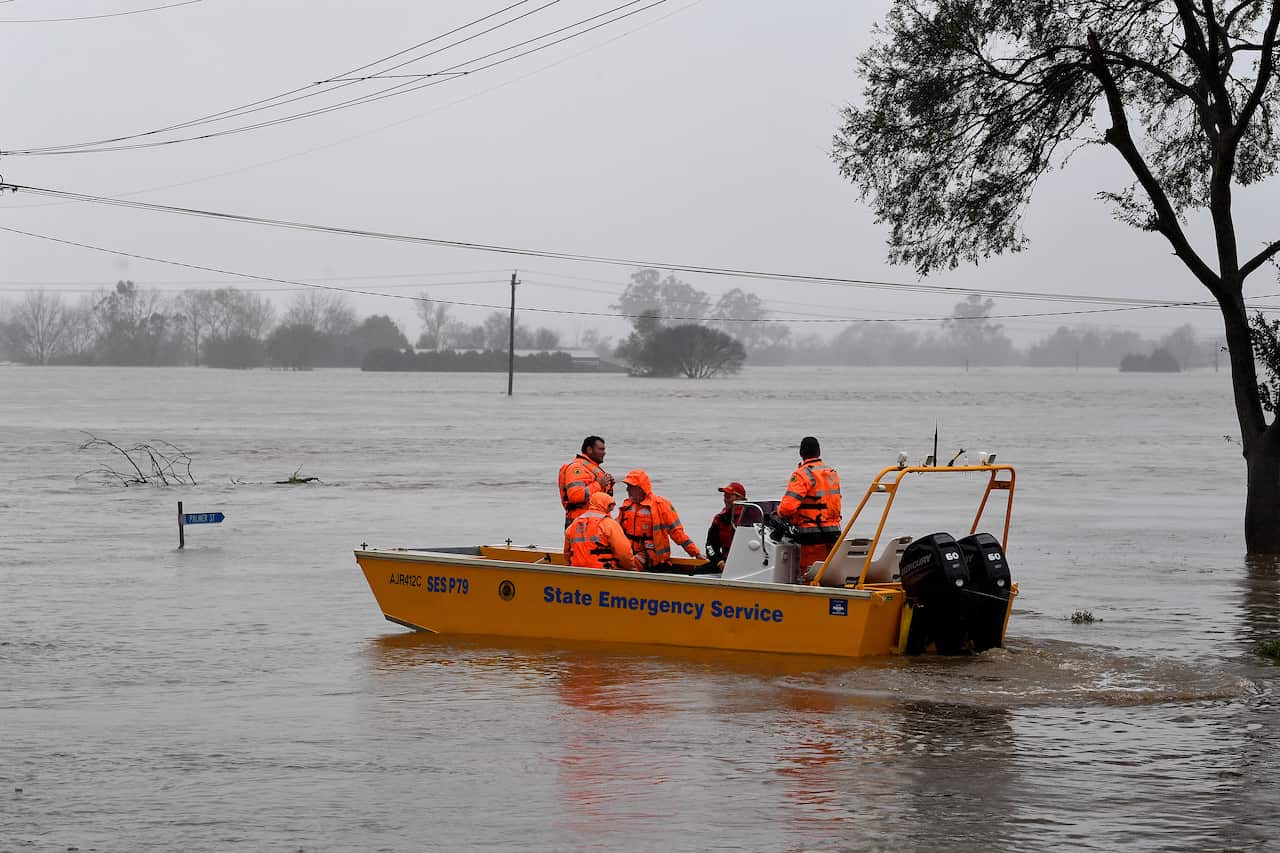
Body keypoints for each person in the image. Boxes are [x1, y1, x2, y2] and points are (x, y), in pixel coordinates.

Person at [778, 436, 843, 575]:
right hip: (834, 533)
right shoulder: (832, 473)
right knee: (829, 573)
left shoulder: (802, 474)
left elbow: (787, 508)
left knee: (810, 574)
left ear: (801, 453)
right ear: (819, 452)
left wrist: (779, 514)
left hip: (812, 534)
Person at [617, 469, 703, 572]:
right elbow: (615, 529)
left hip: (652, 553)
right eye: (628, 486)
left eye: (631, 487)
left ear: (640, 488)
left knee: (632, 563)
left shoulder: (660, 505)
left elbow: (677, 533)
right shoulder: (627, 505)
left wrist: (696, 553)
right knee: (611, 561)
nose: (627, 490)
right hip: (629, 550)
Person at [564, 491, 636, 571]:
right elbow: (624, 554)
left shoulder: (573, 524)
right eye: (610, 507)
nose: (610, 510)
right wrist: (631, 568)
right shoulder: (609, 524)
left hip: (578, 571)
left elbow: (567, 554)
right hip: (604, 572)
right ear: (605, 505)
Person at [558, 435, 614, 528]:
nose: (604, 453)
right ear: (589, 449)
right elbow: (575, 496)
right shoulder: (577, 468)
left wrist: (609, 486)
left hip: (593, 520)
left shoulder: (591, 468)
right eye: (600, 449)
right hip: (579, 522)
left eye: (604, 449)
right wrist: (599, 484)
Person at [705, 481, 747, 570]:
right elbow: (710, 545)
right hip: (725, 563)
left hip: (745, 564)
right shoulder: (720, 518)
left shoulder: (752, 517)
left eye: (728, 497)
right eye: (724, 497)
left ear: (740, 498)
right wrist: (719, 561)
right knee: (694, 572)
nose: (725, 499)